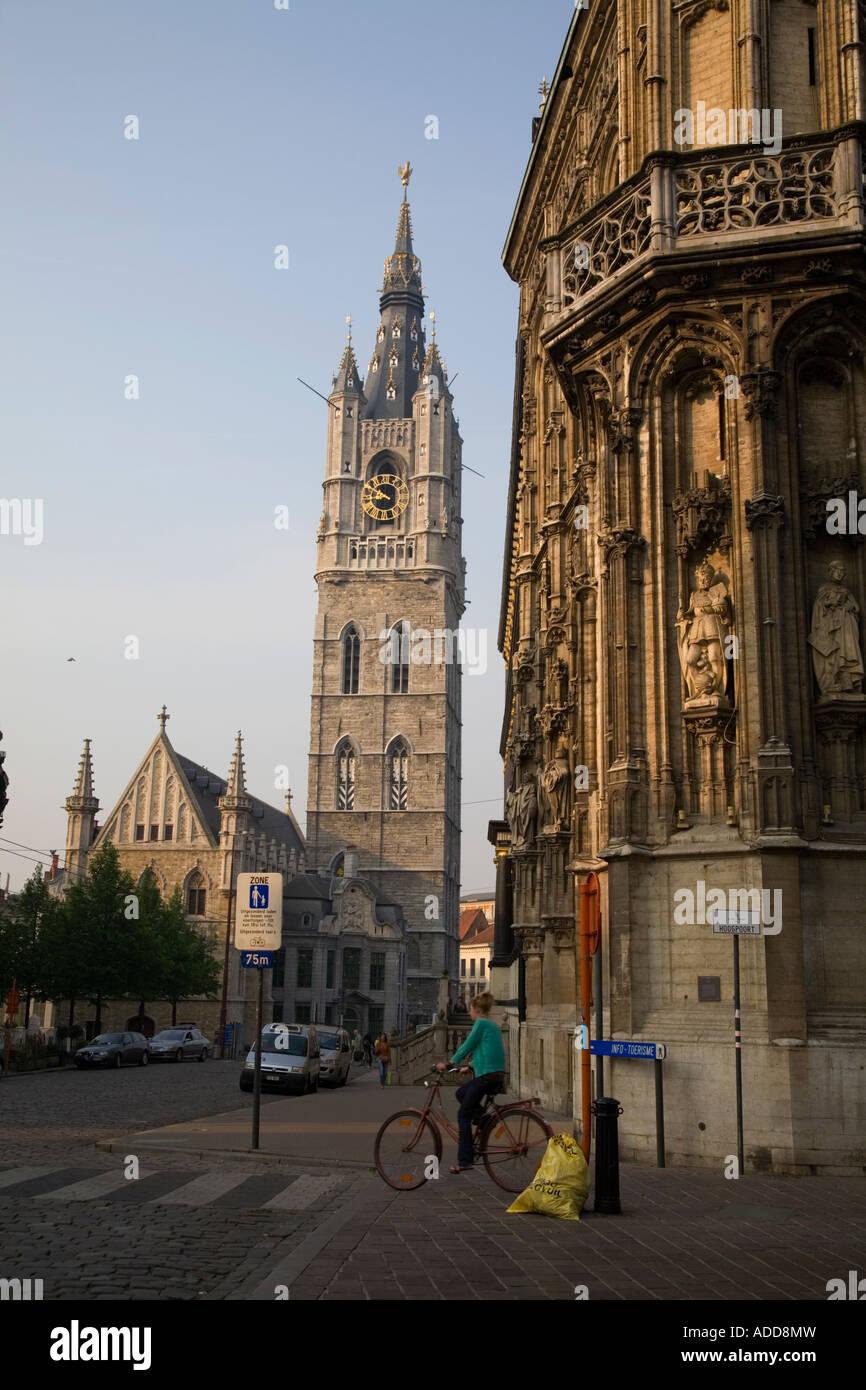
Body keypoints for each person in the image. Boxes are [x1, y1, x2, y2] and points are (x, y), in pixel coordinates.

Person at [436, 991, 505, 1174]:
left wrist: (450, 1063)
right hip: (494, 1074)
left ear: (476, 1009)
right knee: (460, 1093)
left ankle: (465, 1160)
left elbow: (468, 1045)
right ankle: (483, 1118)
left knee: (463, 1116)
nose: (469, 1014)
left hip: (487, 1076)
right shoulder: (493, 1025)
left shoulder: (481, 1023)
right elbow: (486, 1050)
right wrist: (471, 1066)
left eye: (470, 1010)